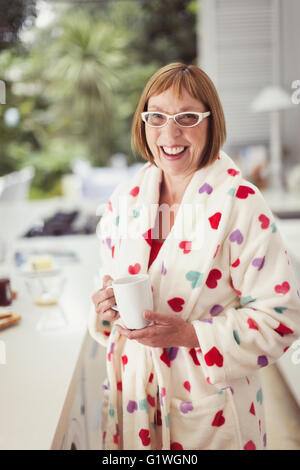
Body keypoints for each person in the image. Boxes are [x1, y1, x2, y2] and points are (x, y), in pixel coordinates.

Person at [89, 62, 300, 450]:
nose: (170, 133)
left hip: (210, 410)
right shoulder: (125, 198)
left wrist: (188, 334)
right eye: (156, 117)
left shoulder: (241, 203)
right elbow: (109, 283)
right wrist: (106, 306)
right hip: (133, 398)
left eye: (187, 117)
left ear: (210, 122)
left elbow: (282, 318)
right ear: (143, 122)